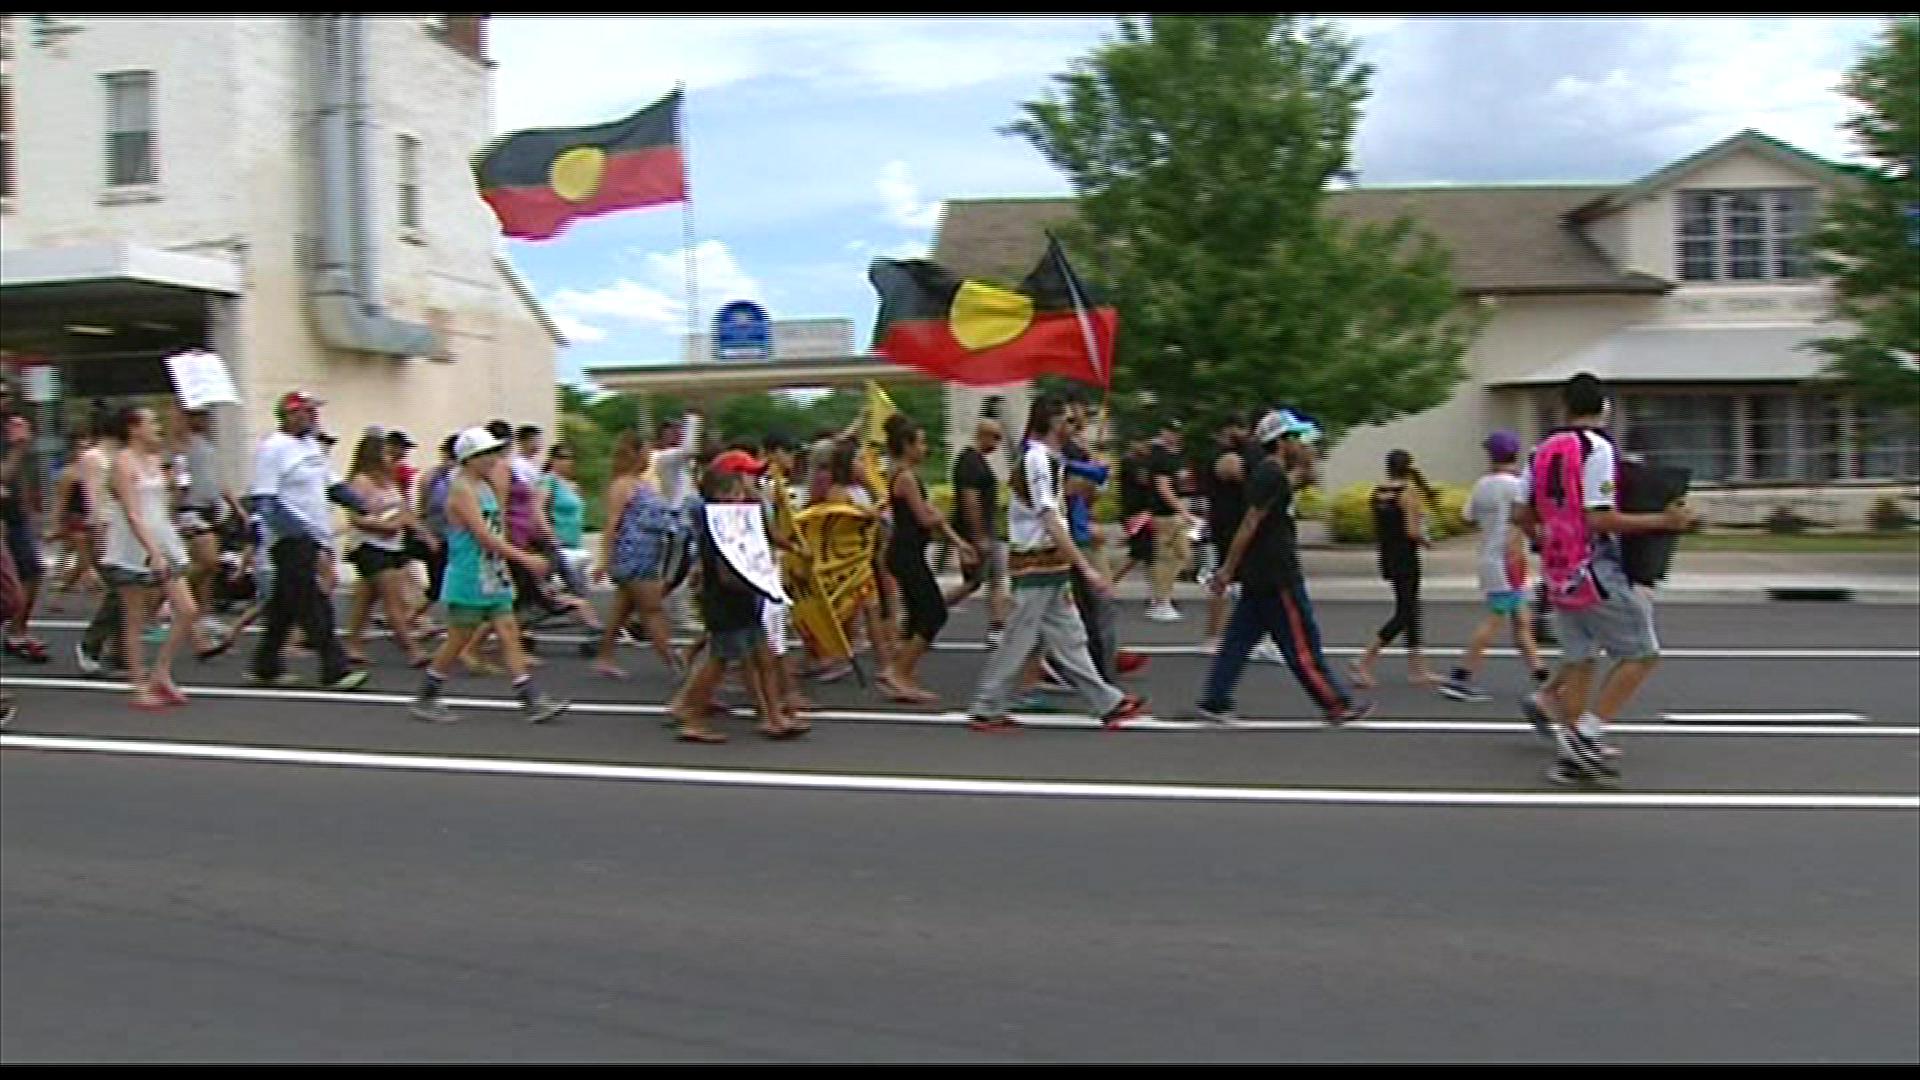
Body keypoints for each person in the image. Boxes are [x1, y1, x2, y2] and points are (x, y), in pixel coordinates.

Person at [1517, 372, 1695, 786]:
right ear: (1605, 410)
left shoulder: (1540, 451)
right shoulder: (1596, 448)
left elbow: (1522, 514)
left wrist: (1545, 541)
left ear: (1563, 407)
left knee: (1580, 660)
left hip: (1558, 572)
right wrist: (1663, 521)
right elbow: (1600, 519)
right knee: (1642, 654)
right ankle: (1588, 733)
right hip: (1593, 567)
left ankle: (1571, 751)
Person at [966, 393, 1145, 733]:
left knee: (1069, 636)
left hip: (1048, 563)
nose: (1071, 427)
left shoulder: (1047, 459)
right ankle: (987, 705)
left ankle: (1108, 702)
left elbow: (1059, 505)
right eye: (1067, 420)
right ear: (1051, 421)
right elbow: (1048, 515)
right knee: (1022, 637)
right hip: (1036, 561)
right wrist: (1085, 567)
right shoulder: (1037, 460)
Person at [1197, 413, 1376, 726]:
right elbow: (1250, 522)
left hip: (1261, 572)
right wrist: (1226, 569)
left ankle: (1215, 699)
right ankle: (1335, 704)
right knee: (1301, 643)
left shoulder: (1274, 474)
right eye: (1294, 438)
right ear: (1280, 442)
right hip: (1275, 572)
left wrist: (1307, 463)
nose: (1300, 443)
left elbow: (1296, 482)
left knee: (1239, 639)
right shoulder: (1269, 474)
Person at [410, 427, 568, 725]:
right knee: (459, 638)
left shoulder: (483, 486)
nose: (492, 459)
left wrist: (507, 563)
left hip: (491, 570)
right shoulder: (461, 489)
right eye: (484, 454)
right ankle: (427, 694)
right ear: (468, 458)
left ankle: (530, 697)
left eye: (493, 452)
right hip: (470, 571)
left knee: (508, 630)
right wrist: (523, 558)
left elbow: (496, 528)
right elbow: (482, 535)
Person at [247, 390, 369, 691]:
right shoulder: (273, 449)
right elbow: (265, 498)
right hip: (292, 537)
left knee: (285, 604)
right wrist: (294, 533)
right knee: (313, 602)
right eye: (307, 411)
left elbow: (330, 482)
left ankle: (266, 664)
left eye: (315, 411)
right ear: (290, 415)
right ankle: (334, 668)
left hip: (317, 533)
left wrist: (358, 503)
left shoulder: (310, 446)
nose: (314, 417)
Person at [670, 463, 793, 743]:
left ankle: (773, 715)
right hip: (726, 602)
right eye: (738, 491)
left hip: (743, 600)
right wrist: (763, 584)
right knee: (719, 662)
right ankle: (691, 715)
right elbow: (726, 575)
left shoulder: (736, 524)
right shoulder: (719, 527)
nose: (744, 496)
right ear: (723, 495)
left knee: (764, 655)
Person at [99, 405, 198, 711]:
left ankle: (161, 672)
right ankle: (138, 683)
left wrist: (179, 484)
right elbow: (132, 512)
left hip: (162, 536)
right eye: (151, 421)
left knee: (187, 610)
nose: (157, 426)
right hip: (133, 544)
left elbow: (163, 504)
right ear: (133, 428)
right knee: (135, 616)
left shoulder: (157, 460)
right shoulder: (123, 463)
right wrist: (152, 551)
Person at [1440, 431, 1549, 702]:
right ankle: (1460, 677)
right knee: (1495, 620)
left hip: (1493, 558)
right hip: (1509, 562)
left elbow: (1467, 517)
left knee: (1522, 622)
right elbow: (1527, 519)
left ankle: (1542, 676)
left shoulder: (1482, 485)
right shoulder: (1518, 486)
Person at [880, 413, 975, 706]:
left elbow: (930, 513)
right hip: (905, 553)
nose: (924, 448)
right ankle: (899, 671)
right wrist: (944, 521)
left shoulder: (907, 475)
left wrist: (959, 543)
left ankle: (900, 671)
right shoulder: (905, 477)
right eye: (920, 443)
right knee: (934, 613)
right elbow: (924, 517)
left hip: (909, 552)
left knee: (922, 614)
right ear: (907, 445)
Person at [595, 430, 683, 679]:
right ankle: (672, 661)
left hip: (648, 552)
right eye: (645, 452)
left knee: (622, 609)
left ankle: (605, 655)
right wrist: (604, 560)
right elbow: (611, 524)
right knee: (652, 609)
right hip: (633, 555)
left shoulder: (642, 483)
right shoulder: (622, 485)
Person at [1350, 449, 1440, 689]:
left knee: (1410, 608)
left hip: (1388, 554)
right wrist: (1425, 540)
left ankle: (1417, 668)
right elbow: (1411, 530)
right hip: (1406, 556)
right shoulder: (1407, 492)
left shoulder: (1378, 493)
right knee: (1405, 612)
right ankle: (1365, 660)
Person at [341, 430, 429, 667]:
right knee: (394, 599)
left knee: (366, 598)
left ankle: (353, 644)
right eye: (385, 452)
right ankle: (411, 649)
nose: (390, 457)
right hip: (371, 545)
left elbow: (403, 508)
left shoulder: (388, 481)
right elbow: (355, 517)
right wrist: (383, 525)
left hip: (392, 545)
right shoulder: (361, 481)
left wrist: (420, 530)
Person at [172, 404, 238, 650]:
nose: (206, 420)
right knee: (208, 562)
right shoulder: (183, 446)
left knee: (208, 570)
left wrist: (234, 506)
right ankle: (176, 593)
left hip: (211, 509)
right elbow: (180, 480)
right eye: (199, 416)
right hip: (191, 510)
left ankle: (203, 613)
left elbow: (218, 480)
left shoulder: (208, 445)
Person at [942, 418, 1009, 646]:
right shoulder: (970, 462)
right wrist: (979, 537)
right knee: (984, 581)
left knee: (984, 581)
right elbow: (970, 501)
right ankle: (927, 616)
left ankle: (997, 628)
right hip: (978, 531)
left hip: (982, 530)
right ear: (983, 435)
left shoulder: (975, 461)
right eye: (995, 437)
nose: (998, 443)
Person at [1, 378, 50, 663]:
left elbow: (15, 478)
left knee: (31, 569)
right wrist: (19, 448)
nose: (5, 400)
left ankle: (18, 631)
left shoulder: (9, 428)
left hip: (13, 512)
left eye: (7, 394)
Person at [1145, 421, 1197, 621]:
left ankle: (1161, 596)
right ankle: (1160, 601)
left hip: (1174, 513)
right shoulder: (1161, 457)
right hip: (1164, 514)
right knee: (1166, 558)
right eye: (1171, 431)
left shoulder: (1177, 456)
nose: (1175, 435)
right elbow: (1163, 488)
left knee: (1181, 555)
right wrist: (1182, 510)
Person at [1111, 437, 1156, 587]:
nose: (1146, 447)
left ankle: (1158, 591)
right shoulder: (1132, 462)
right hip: (1136, 513)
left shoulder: (1142, 462)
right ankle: (1108, 583)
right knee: (1140, 552)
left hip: (1142, 511)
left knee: (1149, 552)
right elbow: (1144, 480)